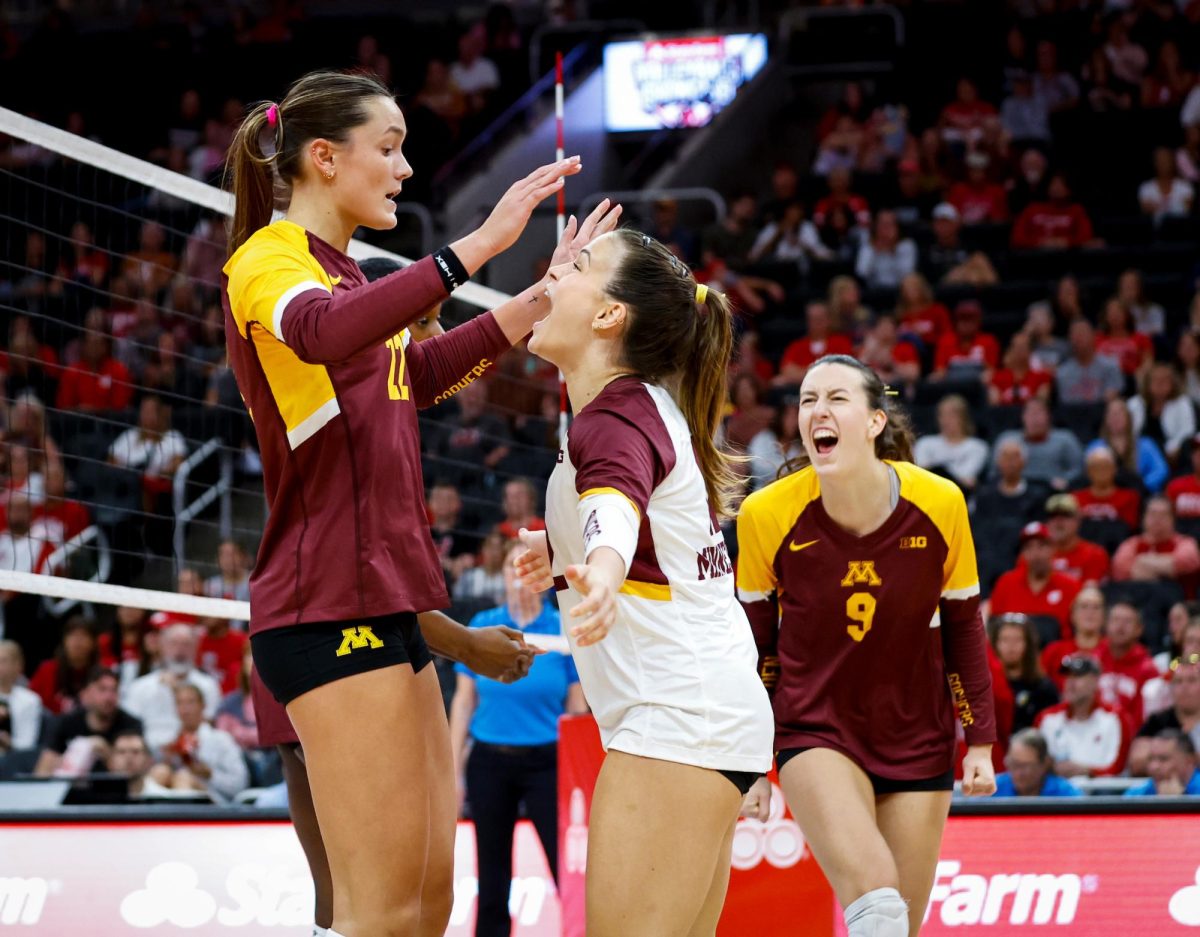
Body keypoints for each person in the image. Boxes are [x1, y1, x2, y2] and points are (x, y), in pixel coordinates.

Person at [221, 65, 613, 937]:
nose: (404, 170)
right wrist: (472, 247)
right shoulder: (268, 263)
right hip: (321, 607)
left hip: (392, 605)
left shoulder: (354, 280)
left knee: (427, 908)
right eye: (389, 149)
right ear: (323, 157)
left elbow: (421, 372)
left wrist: (542, 295)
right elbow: (320, 335)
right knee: (380, 912)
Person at [514, 229, 774, 936]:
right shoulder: (636, 410)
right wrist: (559, 549)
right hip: (704, 716)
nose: (555, 272)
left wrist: (600, 570)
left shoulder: (616, 417)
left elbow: (617, 516)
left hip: (676, 719)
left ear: (608, 316)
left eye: (579, 266)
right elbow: (634, 520)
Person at [736, 355, 996, 937]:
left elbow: (963, 629)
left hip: (916, 733)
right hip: (815, 727)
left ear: (876, 422)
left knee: (899, 925)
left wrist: (979, 740)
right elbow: (756, 647)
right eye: (806, 400)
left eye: (835, 398)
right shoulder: (766, 513)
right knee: (877, 901)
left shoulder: (941, 503)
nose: (817, 411)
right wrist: (751, 760)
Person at [449, 542, 586, 937]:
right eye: (512, 568)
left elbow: (577, 709)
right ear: (504, 576)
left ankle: (583, 930)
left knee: (566, 866)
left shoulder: (562, 629)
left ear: (540, 580)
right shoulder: (483, 624)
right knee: (492, 875)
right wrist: (453, 771)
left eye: (526, 568)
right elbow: (463, 703)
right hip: (490, 762)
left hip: (549, 764)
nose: (518, 576)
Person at [122, 623, 222, 751]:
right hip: (147, 754)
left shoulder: (208, 685)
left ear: (196, 648)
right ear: (162, 647)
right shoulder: (140, 686)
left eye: (186, 644)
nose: (179, 650)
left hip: (193, 752)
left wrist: (177, 690)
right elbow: (130, 727)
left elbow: (209, 724)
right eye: (173, 643)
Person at [34, 667, 143, 777]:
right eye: (102, 689)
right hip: (72, 790)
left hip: (116, 790)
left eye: (114, 690)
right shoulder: (66, 723)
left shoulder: (131, 725)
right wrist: (75, 753)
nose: (109, 697)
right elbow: (42, 772)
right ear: (86, 693)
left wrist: (107, 753)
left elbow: (136, 772)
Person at [152, 682, 250, 801]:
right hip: (173, 794)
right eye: (180, 703)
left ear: (202, 705)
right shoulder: (169, 741)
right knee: (160, 771)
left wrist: (210, 774)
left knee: (184, 777)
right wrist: (166, 760)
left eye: (190, 702)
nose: (185, 709)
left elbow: (240, 784)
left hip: (214, 803)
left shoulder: (221, 739)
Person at [1035, 654, 1127, 778]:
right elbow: (1035, 764)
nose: (1071, 683)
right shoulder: (1047, 718)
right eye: (1068, 676)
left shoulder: (1115, 717)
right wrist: (1051, 768)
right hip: (1056, 793)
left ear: (1095, 680)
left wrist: (1088, 771)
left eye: (1078, 676)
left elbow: (1118, 768)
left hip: (1102, 793)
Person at [990, 613, 1059, 732]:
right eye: (1005, 640)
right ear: (995, 644)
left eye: (1018, 640)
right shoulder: (987, 686)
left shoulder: (1043, 688)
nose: (1011, 646)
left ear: (1028, 644)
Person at [912, 394, 989, 492]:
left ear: (963, 418)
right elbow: (919, 474)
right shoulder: (925, 443)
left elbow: (966, 479)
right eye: (942, 415)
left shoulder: (977, 446)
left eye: (952, 416)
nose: (946, 420)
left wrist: (936, 469)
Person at [992, 727, 1082, 797]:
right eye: (1014, 765)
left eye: (1025, 766)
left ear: (1044, 764)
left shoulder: (1066, 794)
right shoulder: (993, 789)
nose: (1018, 773)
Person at [1123, 729, 1200, 795]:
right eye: (1151, 758)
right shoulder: (1137, 794)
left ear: (1189, 761)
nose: (1154, 767)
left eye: (1163, 759)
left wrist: (1178, 801)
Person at [0, 640, 42, 752]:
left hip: (14, 761)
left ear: (18, 665)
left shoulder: (30, 700)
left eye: (3, 661)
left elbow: (27, 745)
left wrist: (7, 742)